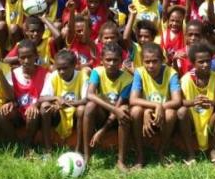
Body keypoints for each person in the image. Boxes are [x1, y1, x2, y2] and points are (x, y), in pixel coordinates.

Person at [130, 43, 181, 167]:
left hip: (163, 115)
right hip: (145, 114)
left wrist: (160, 107)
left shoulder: (171, 73)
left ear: (162, 60)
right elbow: (133, 100)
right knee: (135, 111)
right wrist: (152, 107)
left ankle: (162, 151)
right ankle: (140, 155)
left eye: (155, 61)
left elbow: (177, 101)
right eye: (147, 62)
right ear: (142, 62)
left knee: (171, 113)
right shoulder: (139, 72)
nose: (151, 65)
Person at [177, 42, 215, 165]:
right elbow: (180, 102)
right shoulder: (186, 79)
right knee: (181, 111)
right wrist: (193, 102)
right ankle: (190, 154)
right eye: (201, 62)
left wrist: (211, 103)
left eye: (208, 61)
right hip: (192, 121)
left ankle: (214, 152)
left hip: (210, 119)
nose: (205, 64)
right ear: (193, 63)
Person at [83, 42, 133, 171]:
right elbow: (90, 95)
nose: (111, 63)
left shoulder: (128, 79)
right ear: (102, 60)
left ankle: (121, 160)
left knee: (124, 110)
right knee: (89, 106)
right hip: (102, 113)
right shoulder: (97, 72)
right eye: (108, 60)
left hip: (115, 118)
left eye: (115, 60)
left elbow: (118, 107)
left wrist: (102, 130)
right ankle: (86, 156)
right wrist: (114, 109)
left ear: (121, 61)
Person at [0, 40, 50, 151]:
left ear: (36, 56)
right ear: (18, 58)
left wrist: (35, 105)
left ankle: (28, 143)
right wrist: (9, 103)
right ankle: (16, 144)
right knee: (3, 113)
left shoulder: (45, 73)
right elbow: (10, 95)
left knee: (32, 114)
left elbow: (47, 96)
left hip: (35, 116)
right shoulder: (13, 73)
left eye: (30, 56)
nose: (26, 61)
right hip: (19, 112)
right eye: (22, 57)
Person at [39, 50, 88, 153]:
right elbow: (42, 98)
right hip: (58, 113)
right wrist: (56, 98)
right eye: (59, 68)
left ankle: (79, 149)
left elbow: (86, 99)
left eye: (65, 68)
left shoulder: (82, 76)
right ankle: (48, 149)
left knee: (82, 109)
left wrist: (66, 104)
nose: (61, 72)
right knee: (44, 107)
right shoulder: (54, 75)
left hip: (75, 114)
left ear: (74, 65)